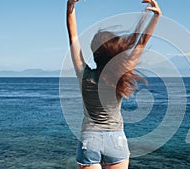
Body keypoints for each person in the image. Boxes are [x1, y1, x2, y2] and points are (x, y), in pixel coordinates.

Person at [66, 0, 161, 168]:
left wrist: (70, 7)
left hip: (90, 139)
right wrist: (156, 17)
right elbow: (141, 43)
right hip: (116, 141)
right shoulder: (120, 76)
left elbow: (73, 37)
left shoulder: (84, 75)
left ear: (95, 53)